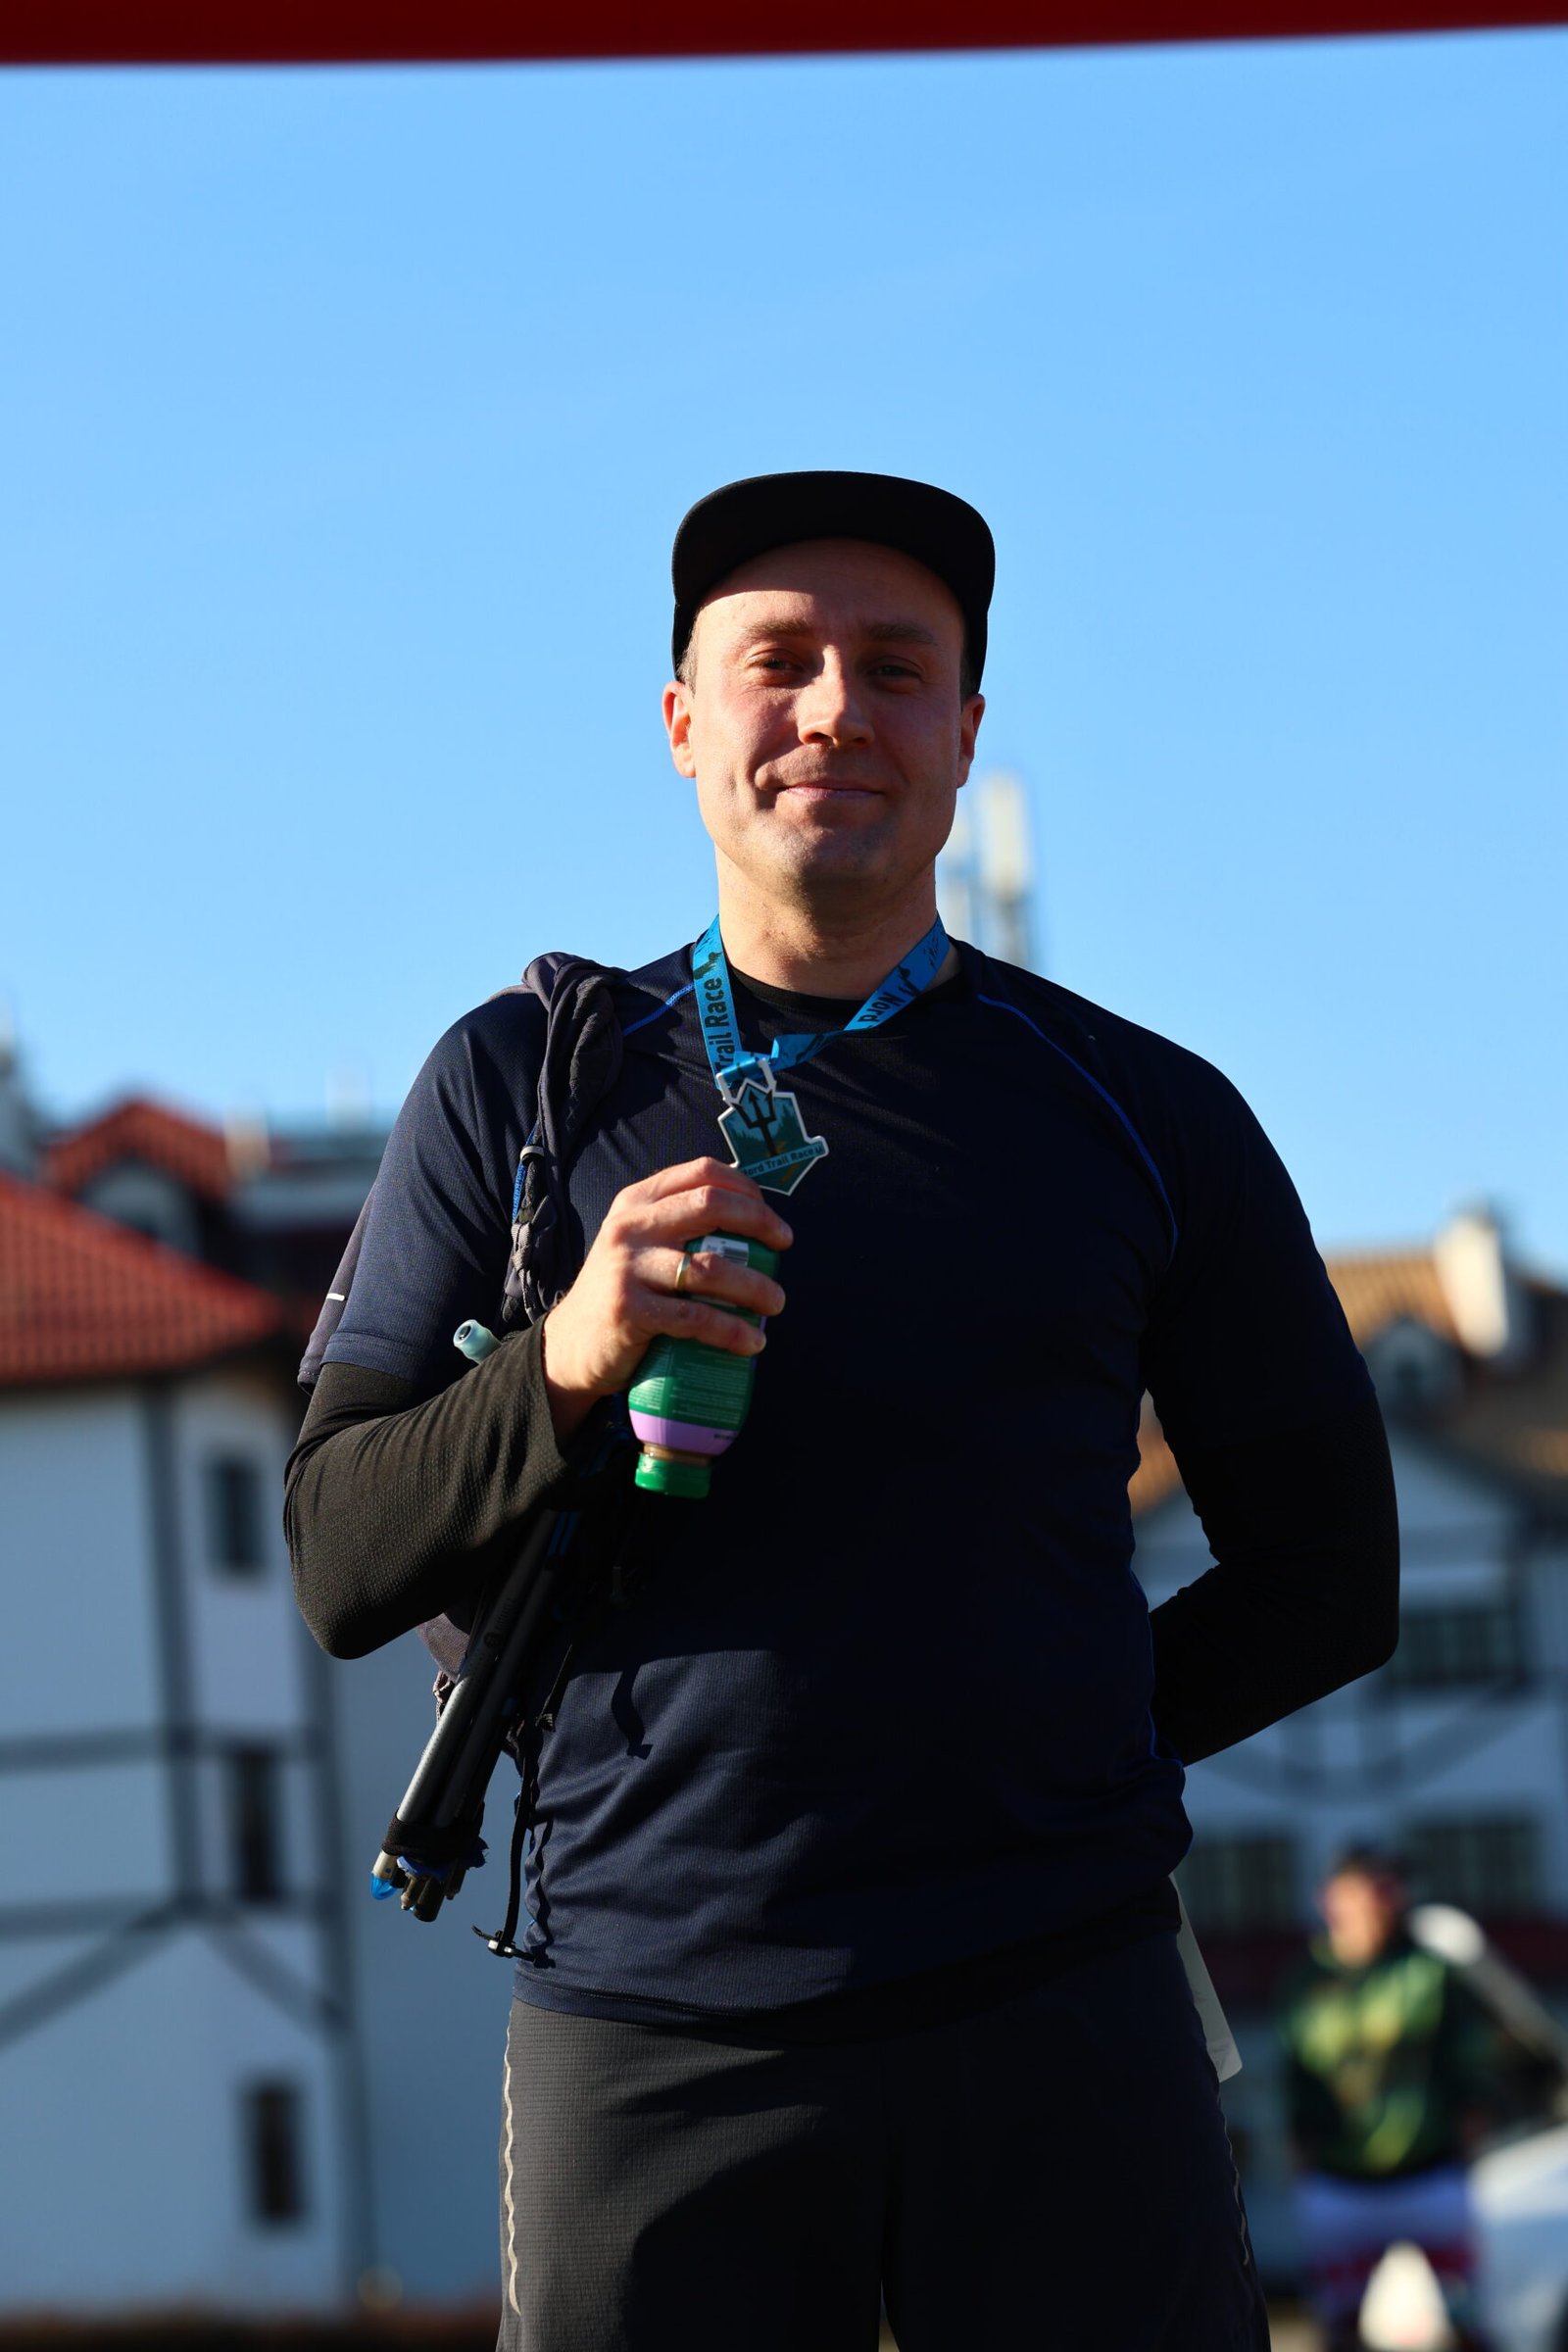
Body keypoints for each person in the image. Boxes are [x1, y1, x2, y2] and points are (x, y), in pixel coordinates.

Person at [286, 469, 1400, 2352]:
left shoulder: (1144, 1113)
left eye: (896, 669)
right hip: (648, 2021)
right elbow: (336, 1556)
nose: (834, 710)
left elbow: (1333, 1579)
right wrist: (567, 1357)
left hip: (1061, 2004)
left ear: (965, 730)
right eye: (778, 662)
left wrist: (1044, 1756)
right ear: (681, 721)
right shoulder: (523, 1085)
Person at [1279, 1847, 1503, 2352]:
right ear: (1329, 1900)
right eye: (1362, 1894)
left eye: (1385, 1894)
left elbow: (1469, 2064)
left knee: (1464, 2322)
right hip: (1339, 2181)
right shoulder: (1303, 1979)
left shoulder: (1427, 1971)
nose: (1375, 1908)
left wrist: (1466, 2149)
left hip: (1428, 2175)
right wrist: (1303, 2166)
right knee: (1342, 2327)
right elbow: (1295, 2079)